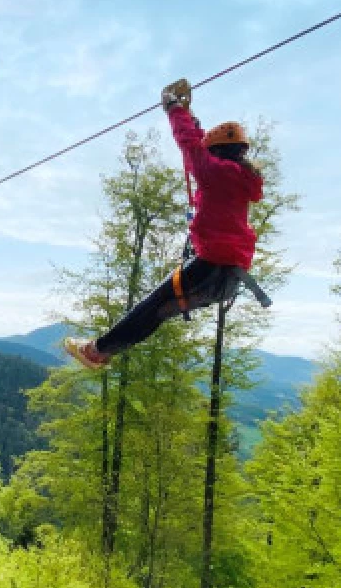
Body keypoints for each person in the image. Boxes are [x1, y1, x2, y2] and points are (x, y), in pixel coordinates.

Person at [64, 78, 264, 370]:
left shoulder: (213, 170)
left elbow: (189, 143)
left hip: (210, 269)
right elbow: (198, 144)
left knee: (149, 308)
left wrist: (172, 107)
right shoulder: (239, 177)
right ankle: (101, 351)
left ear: (217, 152)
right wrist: (192, 118)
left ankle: (97, 351)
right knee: (155, 310)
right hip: (229, 278)